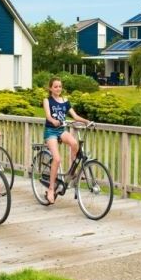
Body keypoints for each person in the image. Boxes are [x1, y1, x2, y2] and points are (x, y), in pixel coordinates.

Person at [42, 77, 89, 205]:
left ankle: (72, 171)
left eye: (60, 86)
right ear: (51, 88)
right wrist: (53, 121)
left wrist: (87, 122)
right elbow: (48, 116)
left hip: (61, 130)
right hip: (51, 131)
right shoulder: (47, 100)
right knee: (57, 159)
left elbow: (75, 116)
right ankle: (51, 189)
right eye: (56, 86)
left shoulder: (65, 101)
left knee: (74, 144)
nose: (58, 89)